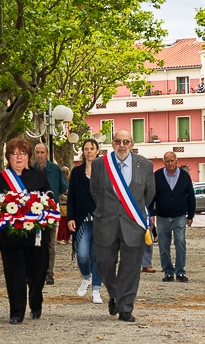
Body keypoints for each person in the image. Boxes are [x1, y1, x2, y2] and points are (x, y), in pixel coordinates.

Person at [90, 128, 155, 322]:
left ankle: (125, 307)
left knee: (131, 268)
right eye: (118, 141)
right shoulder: (100, 165)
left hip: (133, 224)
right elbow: (95, 192)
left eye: (125, 142)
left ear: (132, 144)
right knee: (103, 264)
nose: (121, 146)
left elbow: (149, 194)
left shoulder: (145, 165)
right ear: (112, 143)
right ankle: (116, 294)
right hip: (106, 222)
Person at [0, 136, 52, 323]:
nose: (18, 157)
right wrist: (3, 204)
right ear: (8, 157)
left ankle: (35, 301)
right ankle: (16, 312)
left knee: (38, 273)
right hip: (11, 237)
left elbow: (49, 198)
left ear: (28, 157)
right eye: (14, 154)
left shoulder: (38, 175)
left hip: (36, 236)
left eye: (22, 154)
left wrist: (43, 203)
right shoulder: (1, 178)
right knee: (14, 275)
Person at [68, 138, 104, 303]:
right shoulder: (76, 172)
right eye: (86, 149)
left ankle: (96, 289)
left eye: (92, 148)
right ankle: (86, 277)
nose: (89, 151)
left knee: (98, 256)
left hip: (101, 220)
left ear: (97, 150)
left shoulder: (104, 171)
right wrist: (70, 218)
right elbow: (72, 197)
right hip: (82, 219)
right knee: (82, 254)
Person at [152, 151, 195, 282]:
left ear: (176, 161)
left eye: (172, 161)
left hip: (180, 216)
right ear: (163, 162)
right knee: (163, 245)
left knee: (180, 243)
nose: (170, 163)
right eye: (167, 161)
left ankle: (180, 271)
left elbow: (191, 196)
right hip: (162, 216)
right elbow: (151, 196)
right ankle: (168, 272)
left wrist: (191, 215)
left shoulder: (184, 176)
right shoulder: (157, 176)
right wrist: (151, 214)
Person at [33, 142, 69, 285]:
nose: (40, 155)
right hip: (34, 211)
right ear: (34, 154)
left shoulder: (54, 169)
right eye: (38, 152)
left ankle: (49, 272)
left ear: (47, 154)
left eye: (43, 152)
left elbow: (63, 186)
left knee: (50, 242)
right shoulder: (30, 169)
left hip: (51, 210)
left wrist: (53, 197)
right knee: (35, 242)